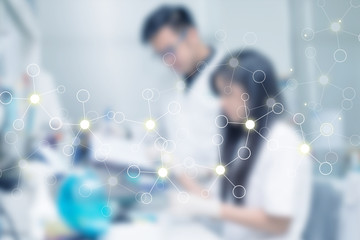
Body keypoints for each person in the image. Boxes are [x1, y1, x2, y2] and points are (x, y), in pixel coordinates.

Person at [171, 49, 312, 240]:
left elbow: (279, 221)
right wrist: (176, 168)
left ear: (254, 92)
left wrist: (213, 209)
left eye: (228, 94)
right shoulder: (244, 140)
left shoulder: (282, 141)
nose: (222, 104)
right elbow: (216, 201)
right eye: (220, 94)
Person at [141, 5, 224, 173]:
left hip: (219, 190)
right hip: (179, 188)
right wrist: (124, 134)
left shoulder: (232, 77)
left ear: (191, 35)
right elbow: (158, 132)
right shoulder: (168, 82)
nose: (167, 61)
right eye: (160, 55)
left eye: (169, 50)